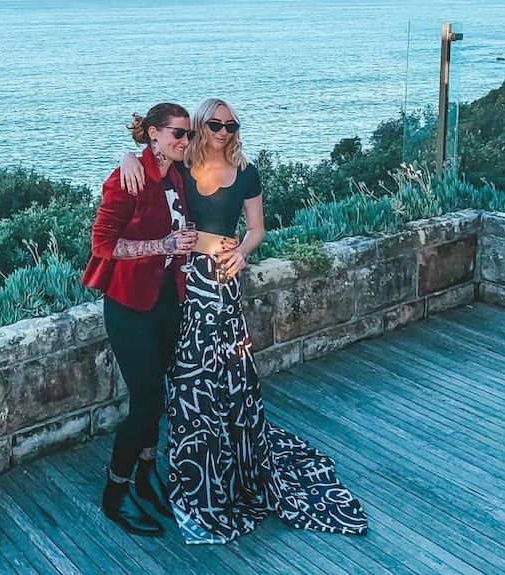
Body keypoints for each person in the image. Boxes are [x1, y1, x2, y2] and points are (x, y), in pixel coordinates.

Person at [120, 98, 368, 544]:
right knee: (189, 374)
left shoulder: (246, 172)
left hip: (223, 281)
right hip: (182, 283)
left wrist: (243, 251)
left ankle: (225, 461)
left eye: (231, 125)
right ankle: (185, 465)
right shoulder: (181, 166)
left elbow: (257, 228)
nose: (223, 131)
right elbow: (151, 156)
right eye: (214, 124)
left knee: (228, 372)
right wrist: (125, 156)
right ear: (198, 126)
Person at [82, 103, 199, 537]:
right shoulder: (127, 178)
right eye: (178, 134)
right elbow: (102, 245)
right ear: (153, 133)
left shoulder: (176, 173)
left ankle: (148, 479)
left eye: (188, 134)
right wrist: (163, 243)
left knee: (158, 397)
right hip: (129, 307)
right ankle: (115, 494)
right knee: (148, 402)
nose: (186, 141)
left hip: (168, 301)